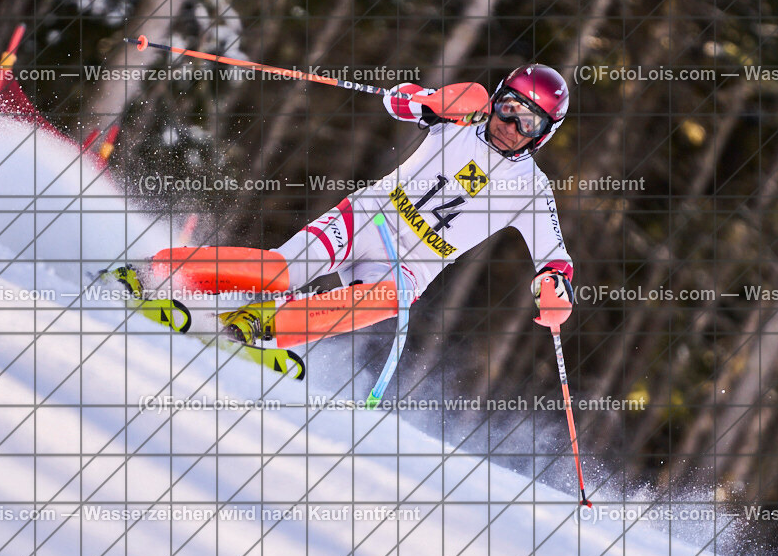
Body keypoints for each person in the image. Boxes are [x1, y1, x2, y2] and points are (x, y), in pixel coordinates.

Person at [113, 64, 576, 351]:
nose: (512, 125)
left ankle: (263, 324)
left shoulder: (531, 190)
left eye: (529, 122)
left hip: (413, 263)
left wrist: (555, 288)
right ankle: (157, 271)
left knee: (389, 298)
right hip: (368, 219)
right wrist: (422, 100)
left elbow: (555, 260)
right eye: (509, 108)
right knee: (280, 272)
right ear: (496, 100)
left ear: (543, 134)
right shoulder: (461, 118)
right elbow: (406, 104)